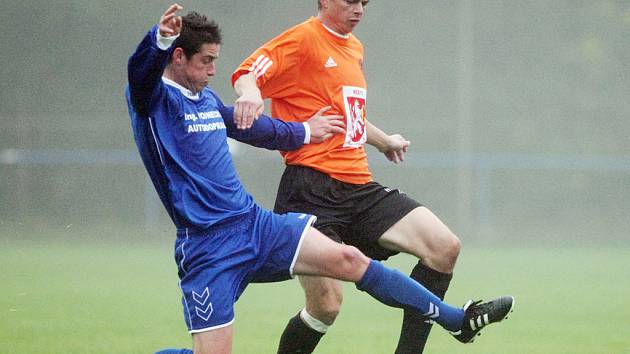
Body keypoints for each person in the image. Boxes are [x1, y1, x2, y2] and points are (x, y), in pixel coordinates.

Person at [128, 4, 513, 354]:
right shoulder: (153, 101)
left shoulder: (207, 100)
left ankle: (455, 319)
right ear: (178, 57)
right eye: (207, 61)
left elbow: (259, 130)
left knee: (350, 259)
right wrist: (160, 39)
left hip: (255, 225)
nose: (214, 71)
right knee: (317, 308)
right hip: (209, 246)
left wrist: (307, 131)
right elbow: (144, 72)